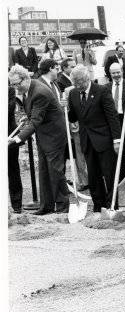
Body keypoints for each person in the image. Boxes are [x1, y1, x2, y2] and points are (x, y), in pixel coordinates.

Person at [8, 65, 69, 215]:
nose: (16, 88)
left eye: (17, 84)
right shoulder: (29, 89)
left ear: (26, 79)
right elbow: (35, 114)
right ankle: (46, 207)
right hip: (43, 135)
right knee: (43, 170)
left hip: (54, 135)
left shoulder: (39, 92)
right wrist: (27, 116)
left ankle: (62, 207)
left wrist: (16, 139)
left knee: (55, 171)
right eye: (13, 85)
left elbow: (35, 121)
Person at [67, 65, 121, 212]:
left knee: (109, 174)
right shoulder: (73, 94)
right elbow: (73, 117)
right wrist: (65, 108)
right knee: (93, 176)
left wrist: (117, 139)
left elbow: (112, 117)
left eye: (80, 83)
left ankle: (112, 206)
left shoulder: (101, 91)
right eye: (75, 84)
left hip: (104, 140)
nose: (78, 86)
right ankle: (99, 205)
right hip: (87, 141)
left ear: (87, 79)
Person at [57, 58, 89, 191]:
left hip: (90, 127)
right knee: (80, 155)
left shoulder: (91, 87)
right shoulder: (69, 90)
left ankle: (92, 178)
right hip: (77, 127)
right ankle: (84, 180)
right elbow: (69, 110)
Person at [106, 62, 125, 185]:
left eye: (118, 72)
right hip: (114, 121)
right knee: (119, 149)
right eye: (113, 73)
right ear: (110, 74)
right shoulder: (106, 87)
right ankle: (123, 176)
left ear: (122, 72)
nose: (116, 75)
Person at [8, 85, 23, 213]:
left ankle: (16, 205)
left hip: (9, 136)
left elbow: (9, 109)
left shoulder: (9, 89)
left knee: (13, 170)